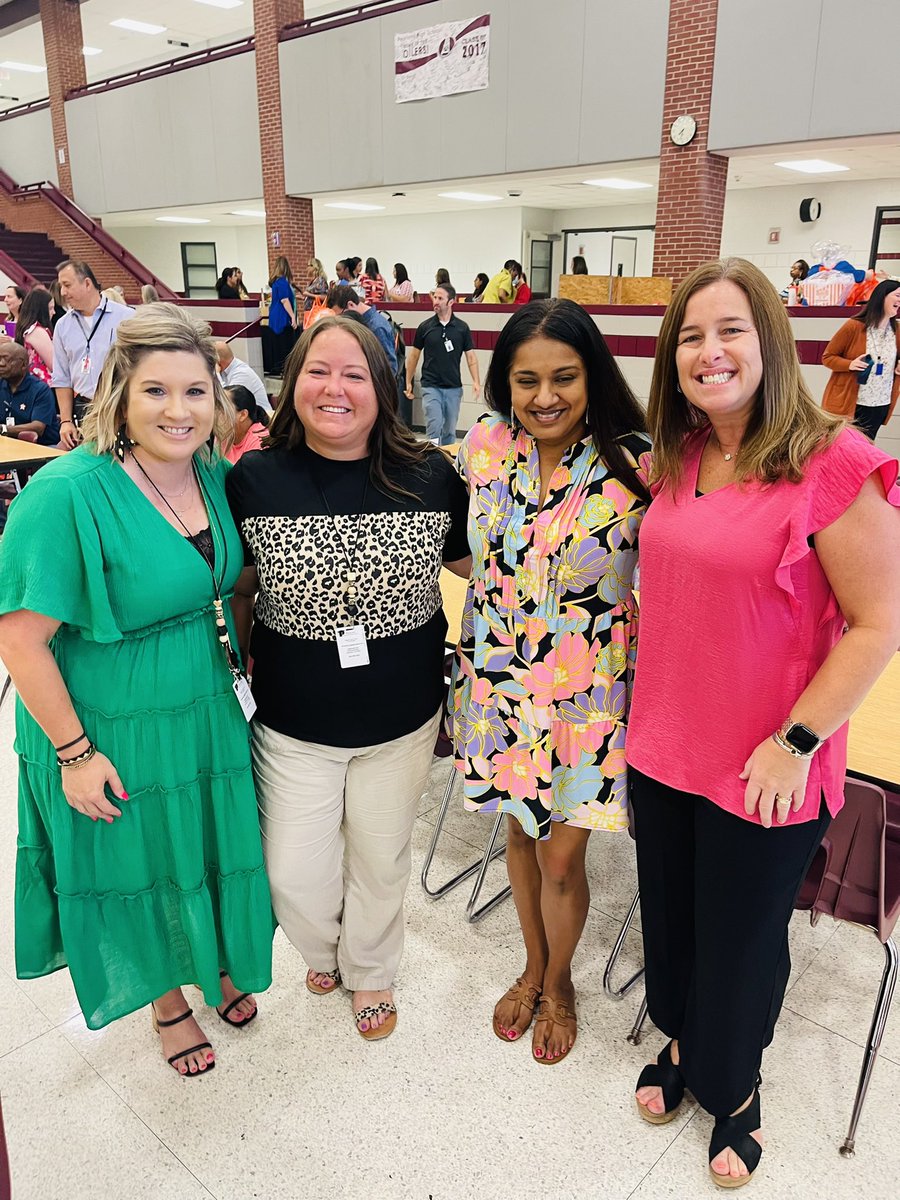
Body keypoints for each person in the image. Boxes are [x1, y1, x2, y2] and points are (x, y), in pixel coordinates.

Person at [625, 258, 900, 1188]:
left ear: (770, 340)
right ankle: (684, 1046)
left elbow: (879, 625)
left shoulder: (833, 462)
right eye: (691, 336)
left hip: (766, 764)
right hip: (663, 746)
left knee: (740, 941)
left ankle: (732, 1087)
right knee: (671, 924)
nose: (709, 351)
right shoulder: (682, 455)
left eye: (730, 328)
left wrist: (797, 742)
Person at [0, 303, 274, 1076]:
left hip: (203, 704)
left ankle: (213, 958)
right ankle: (165, 997)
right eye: (156, 391)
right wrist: (75, 753)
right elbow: (19, 638)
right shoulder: (66, 493)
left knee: (205, 848)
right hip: (108, 720)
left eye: (196, 392)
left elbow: (231, 580)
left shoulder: (215, 475)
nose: (178, 411)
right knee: (141, 862)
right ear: (118, 393)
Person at [226, 316, 471, 1041]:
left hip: (402, 713)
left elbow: (483, 569)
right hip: (290, 716)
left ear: (384, 387)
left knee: (380, 852)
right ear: (292, 382)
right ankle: (321, 944)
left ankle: (370, 968)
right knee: (293, 872)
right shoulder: (253, 477)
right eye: (318, 372)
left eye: (355, 374)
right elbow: (241, 587)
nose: (335, 389)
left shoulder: (429, 474)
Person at [451, 298, 651, 1066]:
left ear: (592, 374)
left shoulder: (636, 459)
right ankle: (529, 966)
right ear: (505, 382)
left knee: (563, 856)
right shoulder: (484, 444)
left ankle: (558, 982)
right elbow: (459, 537)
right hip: (498, 681)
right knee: (517, 835)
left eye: (564, 377)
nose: (544, 397)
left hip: (588, 695)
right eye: (526, 380)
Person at [51, 260, 133, 448]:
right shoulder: (63, 326)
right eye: (60, 286)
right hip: (83, 407)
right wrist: (65, 421)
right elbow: (62, 378)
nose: (62, 292)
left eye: (67, 285)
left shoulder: (127, 318)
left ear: (87, 283)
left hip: (118, 405)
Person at [821, 279, 900, 442]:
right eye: (898, 295)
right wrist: (849, 364)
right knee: (842, 449)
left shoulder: (897, 330)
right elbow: (828, 357)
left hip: (880, 403)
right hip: (851, 403)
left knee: (865, 452)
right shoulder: (854, 326)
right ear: (882, 297)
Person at [405, 285, 479, 444]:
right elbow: (414, 356)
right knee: (434, 426)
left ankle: (448, 464)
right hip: (431, 386)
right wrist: (408, 381)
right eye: (434, 297)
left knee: (449, 431)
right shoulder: (425, 327)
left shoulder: (461, 328)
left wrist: (476, 381)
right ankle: (433, 462)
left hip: (453, 387)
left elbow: (471, 357)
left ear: (451, 302)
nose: (435, 301)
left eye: (440, 298)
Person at [323, 285, 398, 372]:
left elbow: (390, 368)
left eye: (341, 315)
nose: (341, 319)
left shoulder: (377, 327)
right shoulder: (365, 322)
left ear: (351, 305)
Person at [0, 341, 60, 445]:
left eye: (6, 359)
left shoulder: (40, 389)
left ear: (23, 364)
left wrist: (4, 429)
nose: (1, 364)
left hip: (43, 447)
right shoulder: (2, 383)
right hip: (8, 444)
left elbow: (38, 428)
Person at [215, 340, 272, 414]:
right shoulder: (223, 370)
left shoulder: (241, 373)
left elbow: (227, 401)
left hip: (262, 419)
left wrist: (216, 375)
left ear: (218, 361)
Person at [14, 288, 54, 384]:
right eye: (51, 308)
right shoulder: (37, 331)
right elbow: (54, 364)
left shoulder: (26, 328)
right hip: (43, 385)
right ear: (41, 310)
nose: (54, 312)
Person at [267, 256, 298, 375]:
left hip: (274, 315)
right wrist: (292, 317)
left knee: (276, 343)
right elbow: (285, 300)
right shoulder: (283, 282)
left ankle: (277, 367)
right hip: (282, 316)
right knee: (285, 343)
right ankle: (284, 368)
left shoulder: (275, 282)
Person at [224, 384, 268, 464]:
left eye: (222, 408)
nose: (214, 413)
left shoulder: (260, 443)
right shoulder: (222, 436)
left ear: (243, 415)